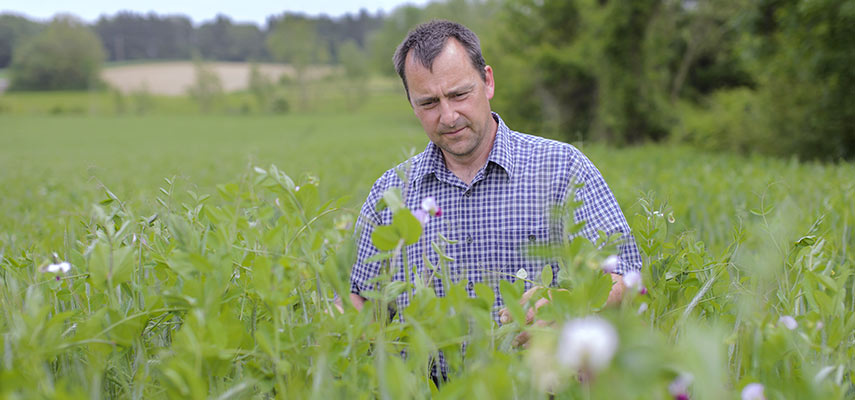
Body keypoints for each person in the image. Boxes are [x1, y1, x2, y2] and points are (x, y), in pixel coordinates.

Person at [346, 19, 642, 380]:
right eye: (429, 103)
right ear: (411, 104)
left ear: (487, 81)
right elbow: (360, 299)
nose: (448, 116)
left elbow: (627, 279)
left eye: (458, 94)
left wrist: (565, 307)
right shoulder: (391, 194)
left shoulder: (562, 168)